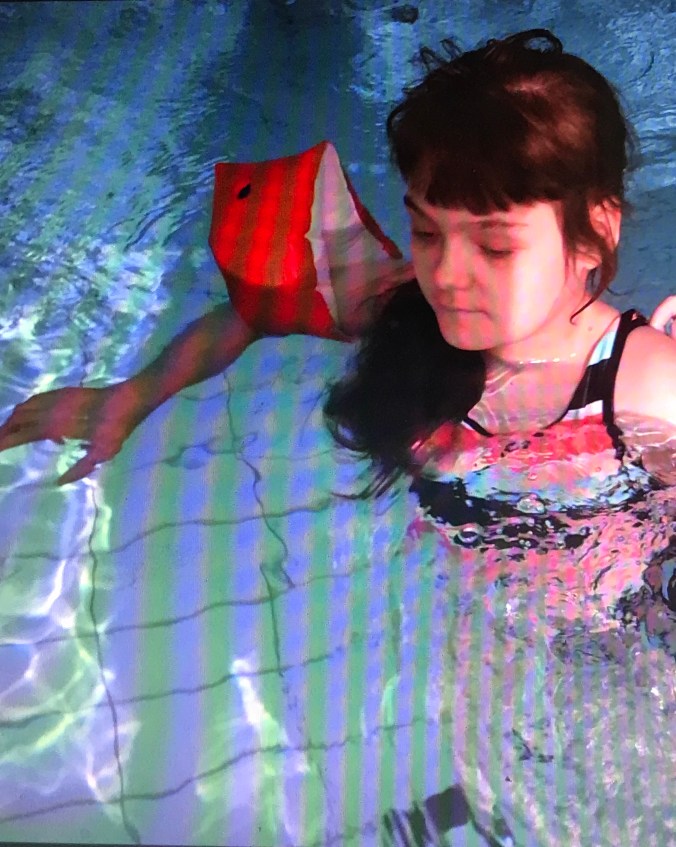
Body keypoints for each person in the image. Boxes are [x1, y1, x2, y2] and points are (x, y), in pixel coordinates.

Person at [0, 28, 674, 491]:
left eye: (495, 246)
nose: (446, 274)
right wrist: (134, 396)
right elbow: (254, 313)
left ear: (594, 235)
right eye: (427, 232)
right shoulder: (413, 313)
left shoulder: (646, 390)